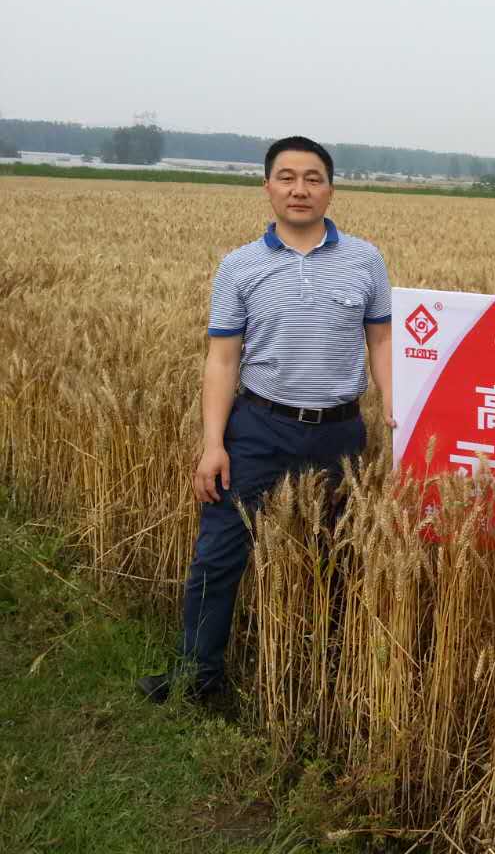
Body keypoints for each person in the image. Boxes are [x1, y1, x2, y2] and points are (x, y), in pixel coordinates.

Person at [137, 136, 395, 704]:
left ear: (330, 187)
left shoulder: (365, 259)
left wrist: (398, 410)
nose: (299, 189)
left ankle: (332, 673)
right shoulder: (240, 266)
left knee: (339, 553)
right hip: (259, 427)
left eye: (312, 177)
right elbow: (223, 358)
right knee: (219, 552)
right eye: (286, 177)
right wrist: (213, 443)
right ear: (267, 187)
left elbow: (381, 341)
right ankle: (197, 675)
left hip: (341, 432)